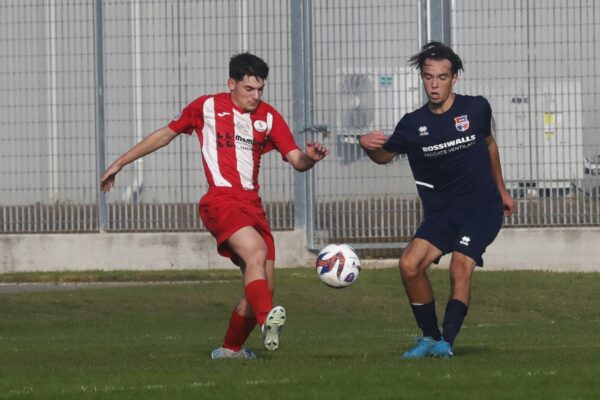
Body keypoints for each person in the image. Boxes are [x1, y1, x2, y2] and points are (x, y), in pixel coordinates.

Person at [100, 52, 329, 359]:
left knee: (262, 285)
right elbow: (165, 135)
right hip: (220, 201)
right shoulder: (207, 107)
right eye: (249, 89)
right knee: (256, 253)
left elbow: (296, 160)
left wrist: (310, 159)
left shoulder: (269, 117)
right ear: (231, 84)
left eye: (260, 89)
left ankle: (230, 350)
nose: (255, 96)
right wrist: (121, 162)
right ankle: (266, 321)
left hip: (253, 206)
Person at [359, 41, 516, 358]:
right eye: (429, 77)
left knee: (459, 266)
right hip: (442, 213)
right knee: (409, 265)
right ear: (422, 78)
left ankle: (448, 341)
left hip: (481, 206)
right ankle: (430, 338)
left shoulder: (476, 109)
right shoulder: (412, 125)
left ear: (454, 78)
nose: (435, 84)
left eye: (442, 77)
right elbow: (382, 157)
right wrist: (367, 145)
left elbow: (489, 145)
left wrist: (501, 189)